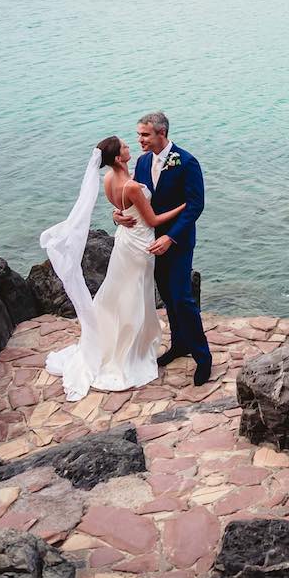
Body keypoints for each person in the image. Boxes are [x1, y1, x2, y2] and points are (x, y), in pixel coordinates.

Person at [39, 135, 187, 398]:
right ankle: (130, 351)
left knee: (122, 293)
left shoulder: (108, 179)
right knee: (134, 296)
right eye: (125, 147)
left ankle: (118, 341)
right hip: (141, 245)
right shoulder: (130, 186)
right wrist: (182, 208)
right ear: (119, 158)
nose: (131, 146)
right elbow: (151, 220)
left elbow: (121, 209)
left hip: (125, 242)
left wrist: (118, 215)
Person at [115, 111, 210, 384]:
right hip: (150, 243)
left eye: (145, 134)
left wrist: (171, 238)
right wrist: (117, 215)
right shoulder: (143, 162)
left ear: (162, 134)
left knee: (182, 297)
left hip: (177, 242)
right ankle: (180, 345)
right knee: (168, 297)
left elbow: (195, 206)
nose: (140, 140)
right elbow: (135, 199)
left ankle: (203, 357)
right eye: (139, 135)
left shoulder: (187, 162)